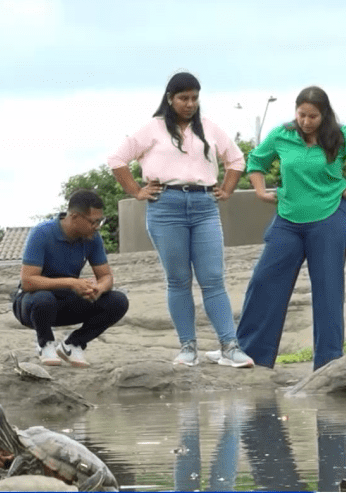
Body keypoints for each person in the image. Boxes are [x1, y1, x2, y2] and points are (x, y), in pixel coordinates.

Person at [108, 71, 253, 368]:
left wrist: (226, 189)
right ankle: (188, 347)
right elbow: (117, 160)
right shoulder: (153, 128)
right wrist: (137, 191)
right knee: (178, 280)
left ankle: (230, 346)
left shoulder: (210, 128)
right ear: (170, 99)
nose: (189, 104)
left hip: (204, 205)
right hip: (166, 206)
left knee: (213, 278)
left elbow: (236, 160)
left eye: (194, 98)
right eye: (183, 98)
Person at [231, 86, 346, 370]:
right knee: (264, 281)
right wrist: (261, 192)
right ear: (295, 111)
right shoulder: (281, 134)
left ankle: (328, 362)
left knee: (328, 289)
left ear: (324, 115)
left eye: (313, 116)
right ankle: (253, 356)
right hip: (287, 220)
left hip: (329, 218)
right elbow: (256, 161)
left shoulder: (341, 136)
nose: (306, 121)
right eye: (301, 114)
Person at [12, 190, 128, 368]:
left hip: (66, 301)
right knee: (44, 299)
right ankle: (45, 344)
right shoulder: (42, 233)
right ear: (74, 217)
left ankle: (73, 344)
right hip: (32, 304)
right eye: (93, 221)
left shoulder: (92, 238)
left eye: (100, 221)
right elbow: (28, 281)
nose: (97, 226)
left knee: (118, 301)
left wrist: (99, 289)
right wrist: (71, 282)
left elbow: (106, 276)